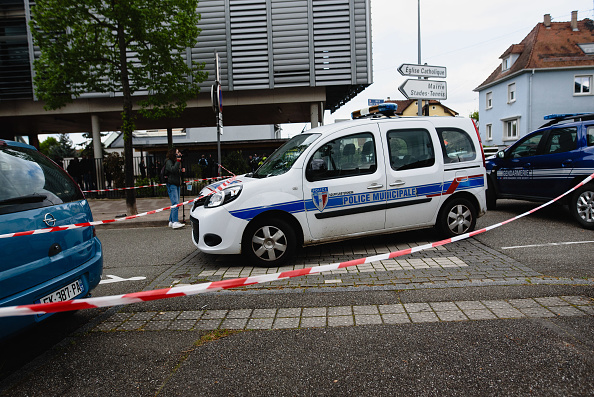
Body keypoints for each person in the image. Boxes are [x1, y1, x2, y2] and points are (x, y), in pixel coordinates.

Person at [164, 148, 185, 229]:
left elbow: (176, 171)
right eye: (176, 153)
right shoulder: (168, 161)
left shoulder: (175, 161)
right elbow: (172, 169)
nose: (178, 154)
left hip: (176, 183)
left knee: (176, 203)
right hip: (171, 184)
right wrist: (178, 161)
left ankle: (171, 220)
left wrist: (182, 171)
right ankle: (175, 222)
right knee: (175, 203)